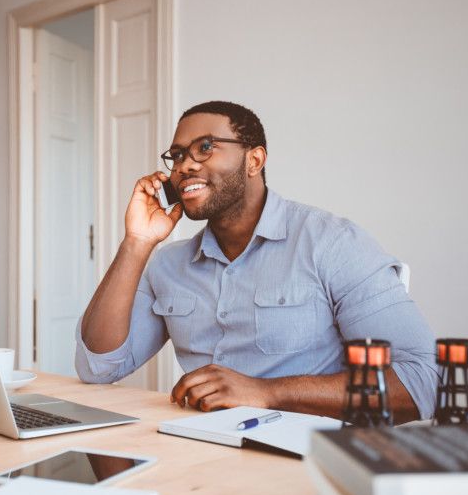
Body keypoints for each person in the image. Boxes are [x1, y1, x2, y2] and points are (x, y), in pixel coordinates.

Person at [74, 101, 438, 422]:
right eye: (178, 155)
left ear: (255, 160)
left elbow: (423, 380)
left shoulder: (333, 243)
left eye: (204, 148)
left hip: (307, 456)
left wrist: (266, 392)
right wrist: (137, 243)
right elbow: (98, 367)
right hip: (200, 448)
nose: (184, 166)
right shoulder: (168, 264)